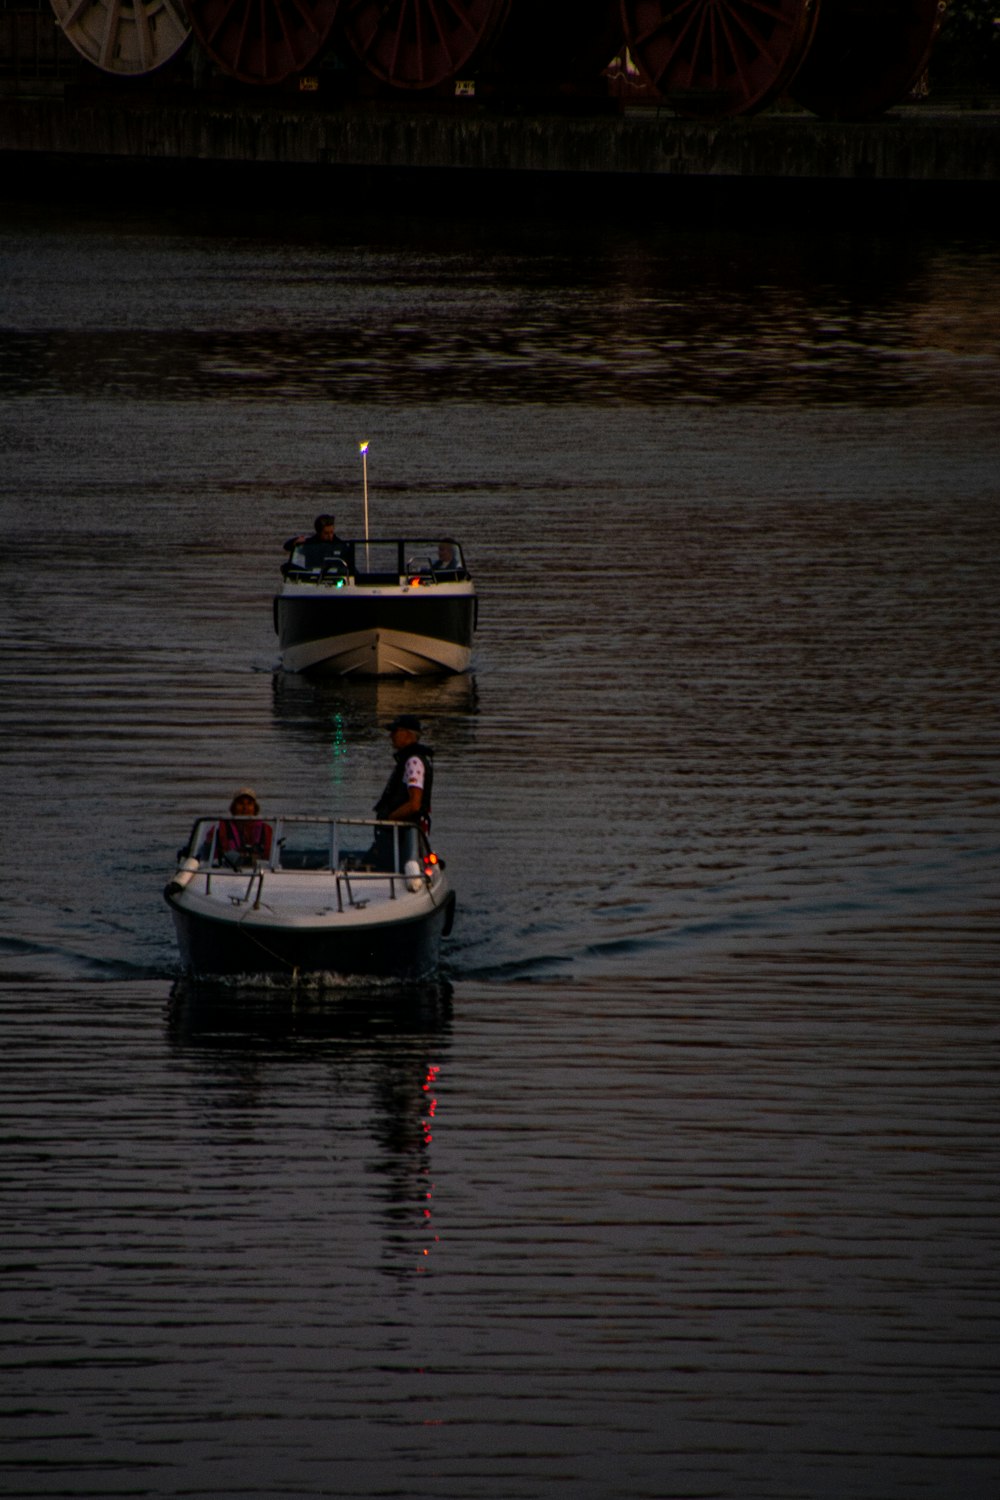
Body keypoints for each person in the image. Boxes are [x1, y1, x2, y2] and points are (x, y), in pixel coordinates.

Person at [374, 715, 434, 836]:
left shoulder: (413, 762)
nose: (391, 736)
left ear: (408, 734)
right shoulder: (408, 759)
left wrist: (389, 820)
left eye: (395, 731)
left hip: (403, 834)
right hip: (402, 833)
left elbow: (414, 805)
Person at [207, 788, 273, 866]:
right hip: (228, 868)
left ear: (255, 808)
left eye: (249, 804)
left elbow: (269, 855)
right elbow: (213, 852)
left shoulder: (266, 829)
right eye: (241, 803)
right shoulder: (220, 827)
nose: (245, 807)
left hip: (259, 868)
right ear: (234, 807)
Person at [281, 514, 352, 575]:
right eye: (326, 533)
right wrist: (295, 542)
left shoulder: (340, 545)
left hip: (336, 577)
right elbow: (286, 546)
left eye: (331, 532)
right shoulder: (310, 544)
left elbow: (350, 564)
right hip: (311, 576)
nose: (330, 536)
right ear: (319, 532)